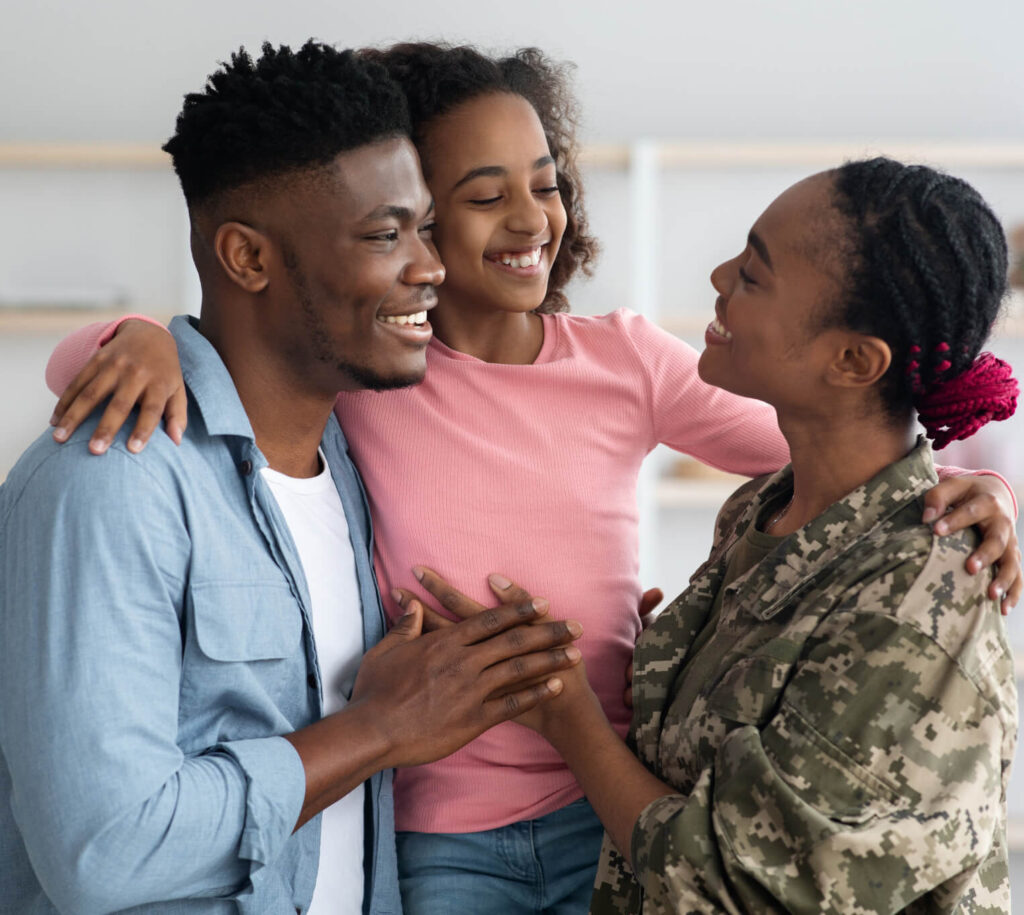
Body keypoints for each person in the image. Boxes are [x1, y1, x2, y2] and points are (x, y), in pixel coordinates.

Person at [43, 46, 1022, 914]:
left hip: (602, 804)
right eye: (475, 197)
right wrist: (137, 339)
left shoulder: (625, 361)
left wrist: (988, 493)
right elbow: (238, 354)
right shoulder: (373, 376)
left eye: (545, 183)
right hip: (437, 820)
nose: (527, 217)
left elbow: (836, 437)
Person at [0, 42, 584, 915]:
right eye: (387, 235)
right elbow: (104, 850)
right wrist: (378, 729)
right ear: (246, 258)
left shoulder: (351, 460)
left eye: (425, 227)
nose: (429, 266)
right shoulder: (110, 482)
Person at [403, 157, 1021, 912]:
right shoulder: (763, 508)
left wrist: (570, 714)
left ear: (854, 360)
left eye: (755, 275)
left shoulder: (919, 598)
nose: (720, 275)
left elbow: (738, 883)